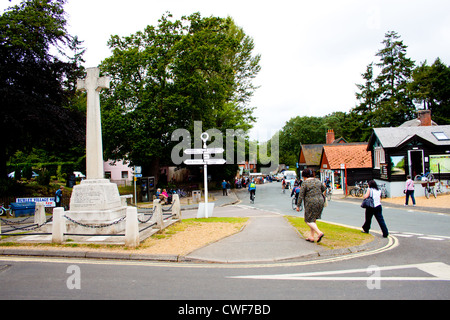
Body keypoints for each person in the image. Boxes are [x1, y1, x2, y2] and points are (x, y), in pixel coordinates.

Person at [296, 169, 326, 243]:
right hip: (320, 201)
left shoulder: (305, 183)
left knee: (307, 220)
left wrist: (298, 206)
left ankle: (319, 233)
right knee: (313, 219)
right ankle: (311, 237)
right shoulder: (317, 181)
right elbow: (324, 188)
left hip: (310, 202)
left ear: (304, 176)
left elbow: (301, 195)